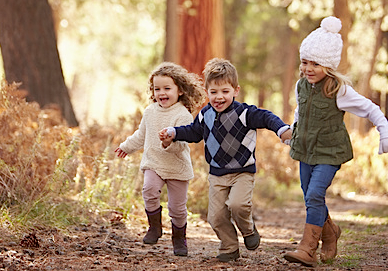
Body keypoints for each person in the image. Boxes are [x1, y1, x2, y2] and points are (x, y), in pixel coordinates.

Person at [159, 58, 292, 262]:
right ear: (207, 92)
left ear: (235, 91)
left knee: (238, 205)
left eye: (224, 91)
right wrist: (174, 132)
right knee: (216, 216)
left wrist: (282, 129)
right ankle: (229, 246)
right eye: (213, 92)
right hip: (217, 173)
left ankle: (248, 230)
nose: (219, 97)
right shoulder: (205, 115)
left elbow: (266, 117)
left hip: (242, 171)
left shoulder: (244, 113)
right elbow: (194, 133)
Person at [283, 16, 388, 267]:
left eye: (315, 64)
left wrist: (384, 131)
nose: (308, 68)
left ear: (328, 66)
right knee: (310, 195)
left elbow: (371, 109)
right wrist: (292, 131)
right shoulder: (302, 85)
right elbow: (301, 111)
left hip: (330, 152)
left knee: (315, 193)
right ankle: (330, 233)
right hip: (306, 149)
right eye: (305, 62)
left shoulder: (338, 89)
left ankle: (307, 248)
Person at [115, 62, 206, 256]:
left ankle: (179, 238)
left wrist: (167, 143)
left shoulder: (183, 115)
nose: (161, 93)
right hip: (154, 163)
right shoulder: (150, 111)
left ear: (180, 90)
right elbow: (141, 135)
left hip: (177, 167)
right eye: (157, 89)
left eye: (167, 88)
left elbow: (181, 146)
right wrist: (125, 147)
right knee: (149, 190)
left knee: (177, 209)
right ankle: (154, 227)